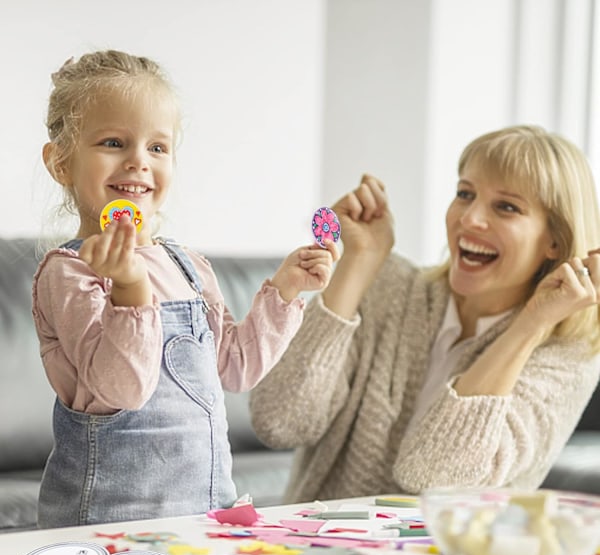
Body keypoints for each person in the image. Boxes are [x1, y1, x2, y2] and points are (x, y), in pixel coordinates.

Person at [32, 49, 338, 528]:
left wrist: (286, 289)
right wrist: (130, 289)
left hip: (203, 513)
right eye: (114, 142)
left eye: (157, 147)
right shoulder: (69, 272)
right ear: (61, 162)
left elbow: (235, 369)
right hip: (108, 521)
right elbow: (123, 389)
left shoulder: (187, 264)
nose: (138, 161)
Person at [250, 125, 600, 504]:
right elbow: (278, 421)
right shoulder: (388, 287)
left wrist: (529, 327)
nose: (470, 219)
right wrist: (359, 263)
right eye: (465, 194)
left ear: (555, 241)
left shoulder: (569, 358)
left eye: (506, 207)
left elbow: (434, 474)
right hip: (309, 550)